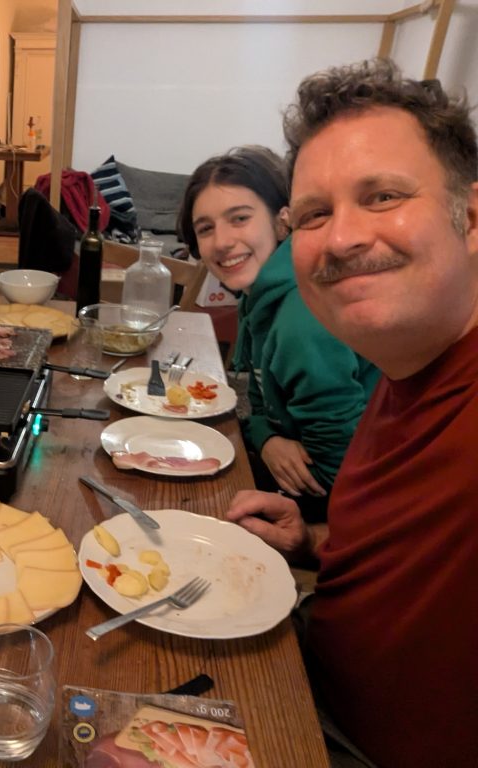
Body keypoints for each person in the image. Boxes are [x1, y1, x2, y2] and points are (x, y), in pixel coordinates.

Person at [226, 59, 478, 768]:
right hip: (308, 675)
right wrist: (311, 539)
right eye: (315, 214)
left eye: (383, 196)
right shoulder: (400, 368)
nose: (341, 239)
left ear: (470, 218)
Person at [177, 146, 378, 519]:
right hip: (303, 467)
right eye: (206, 228)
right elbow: (259, 405)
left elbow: (341, 471)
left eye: (239, 218)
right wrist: (265, 438)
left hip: (342, 504)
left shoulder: (301, 318)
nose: (221, 241)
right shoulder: (259, 297)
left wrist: (306, 536)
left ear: (283, 220)